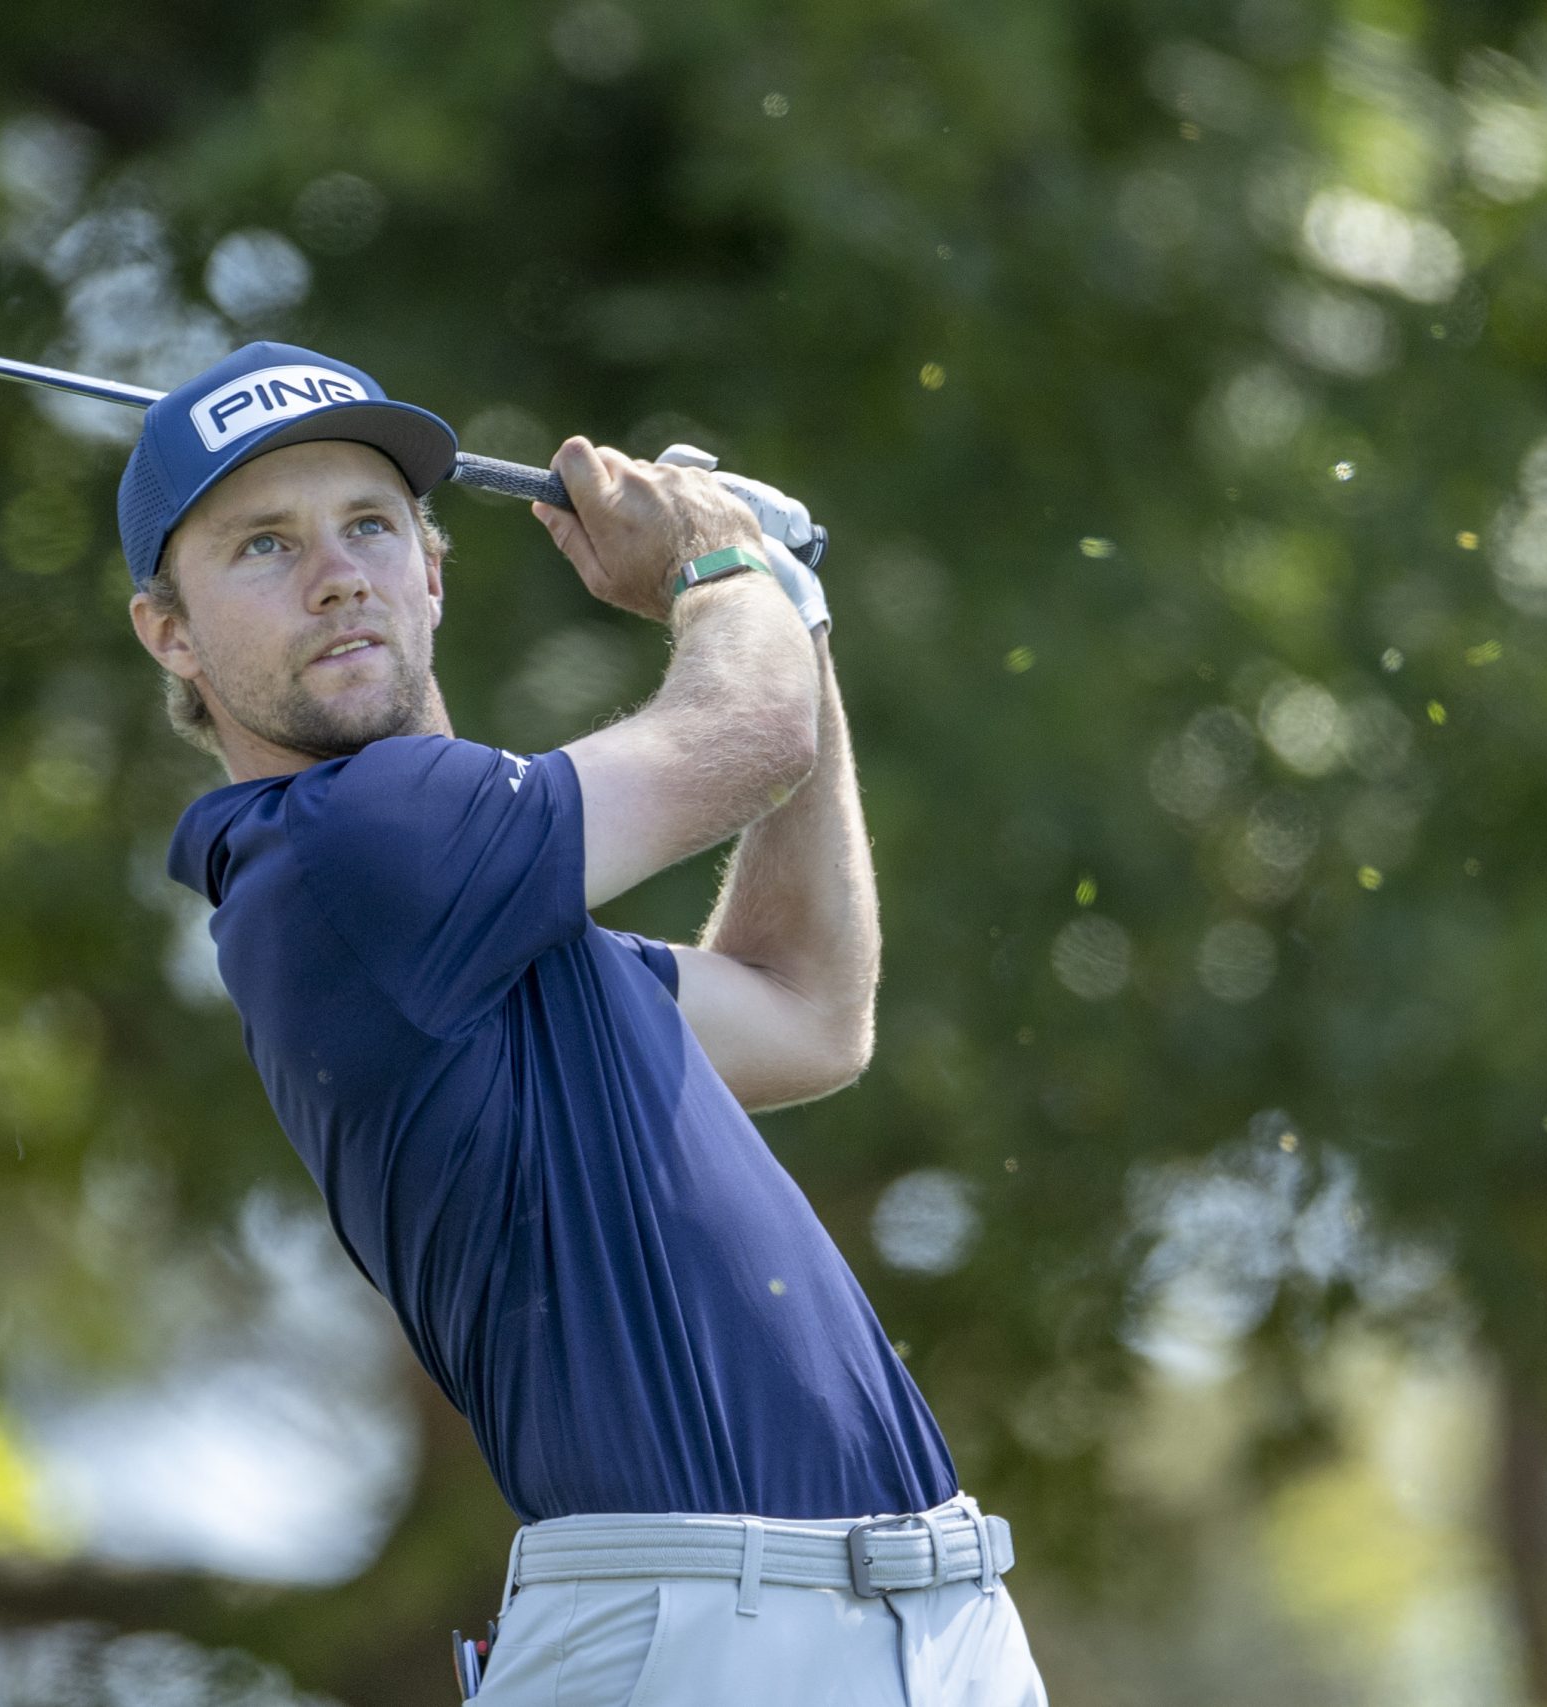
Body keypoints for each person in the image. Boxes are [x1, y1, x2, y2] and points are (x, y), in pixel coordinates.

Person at [124, 341, 1047, 1706]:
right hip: (704, 1635)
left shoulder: (482, 929)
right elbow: (748, 734)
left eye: (370, 525)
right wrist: (721, 566)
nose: (337, 575)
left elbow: (806, 1007)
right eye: (264, 545)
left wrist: (792, 612)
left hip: (929, 1622)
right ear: (171, 635)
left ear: (433, 571)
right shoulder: (347, 845)